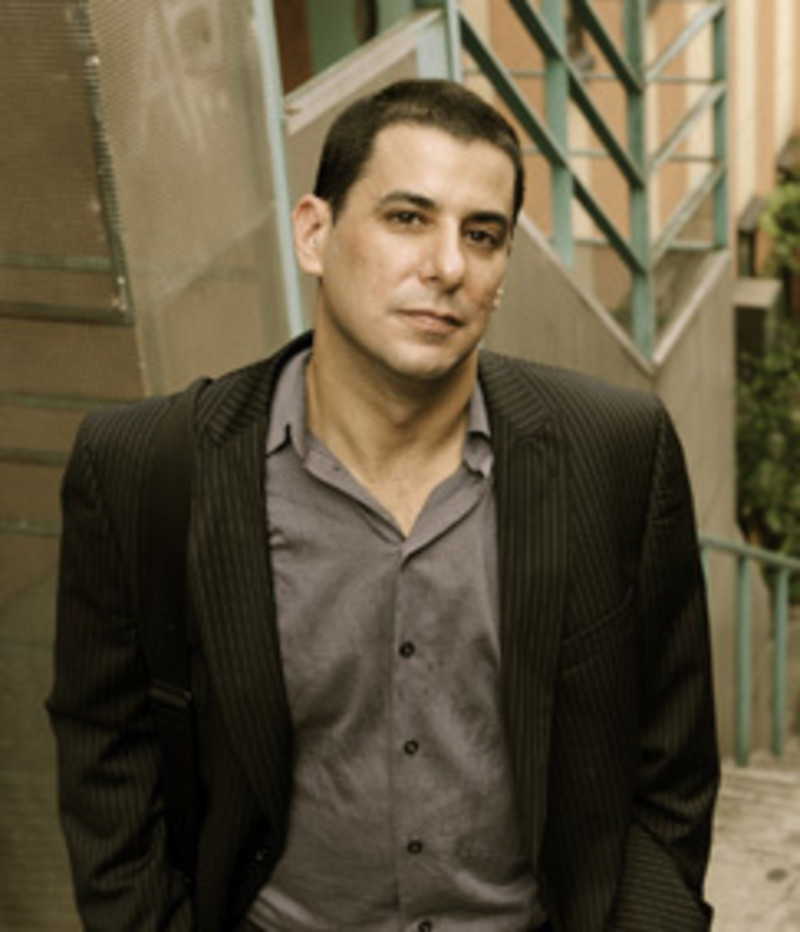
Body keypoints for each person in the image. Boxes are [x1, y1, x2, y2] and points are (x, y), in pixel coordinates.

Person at [49, 79, 719, 932]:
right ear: (315, 234)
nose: (448, 267)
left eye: (483, 235)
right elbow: (107, 757)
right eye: (407, 218)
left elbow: (672, 767)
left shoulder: (616, 450)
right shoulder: (144, 466)